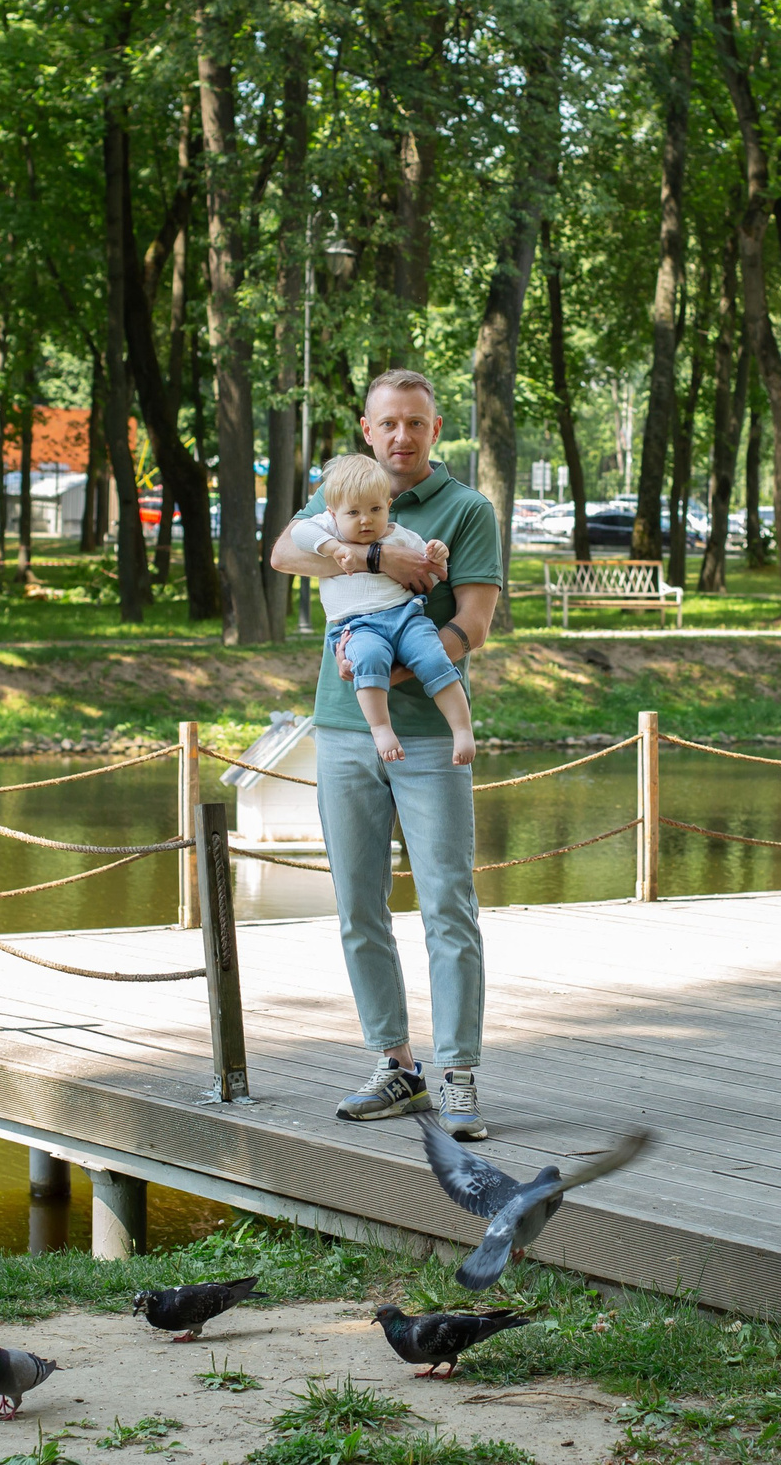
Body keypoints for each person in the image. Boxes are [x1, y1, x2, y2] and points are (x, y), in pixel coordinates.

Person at [268, 370, 502, 1140]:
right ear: (367, 429)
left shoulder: (466, 510)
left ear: (436, 429)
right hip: (342, 728)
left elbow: (473, 620)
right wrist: (374, 563)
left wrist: (399, 668)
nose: (401, 435)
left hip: (430, 734)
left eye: (416, 422)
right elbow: (284, 554)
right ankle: (397, 1066)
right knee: (358, 906)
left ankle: (458, 1072)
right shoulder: (346, 487)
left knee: (447, 904)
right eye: (387, 423)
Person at [284, 455, 477, 766]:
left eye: (375, 509)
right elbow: (297, 535)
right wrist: (334, 548)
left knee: (433, 657)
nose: (365, 520)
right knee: (370, 658)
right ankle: (381, 728)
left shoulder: (398, 535)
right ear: (333, 514)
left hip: (406, 617)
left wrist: (438, 554)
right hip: (357, 626)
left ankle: (462, 729)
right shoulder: (329, 530)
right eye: (354, 513)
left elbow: (432, 572)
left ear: (388, 505)